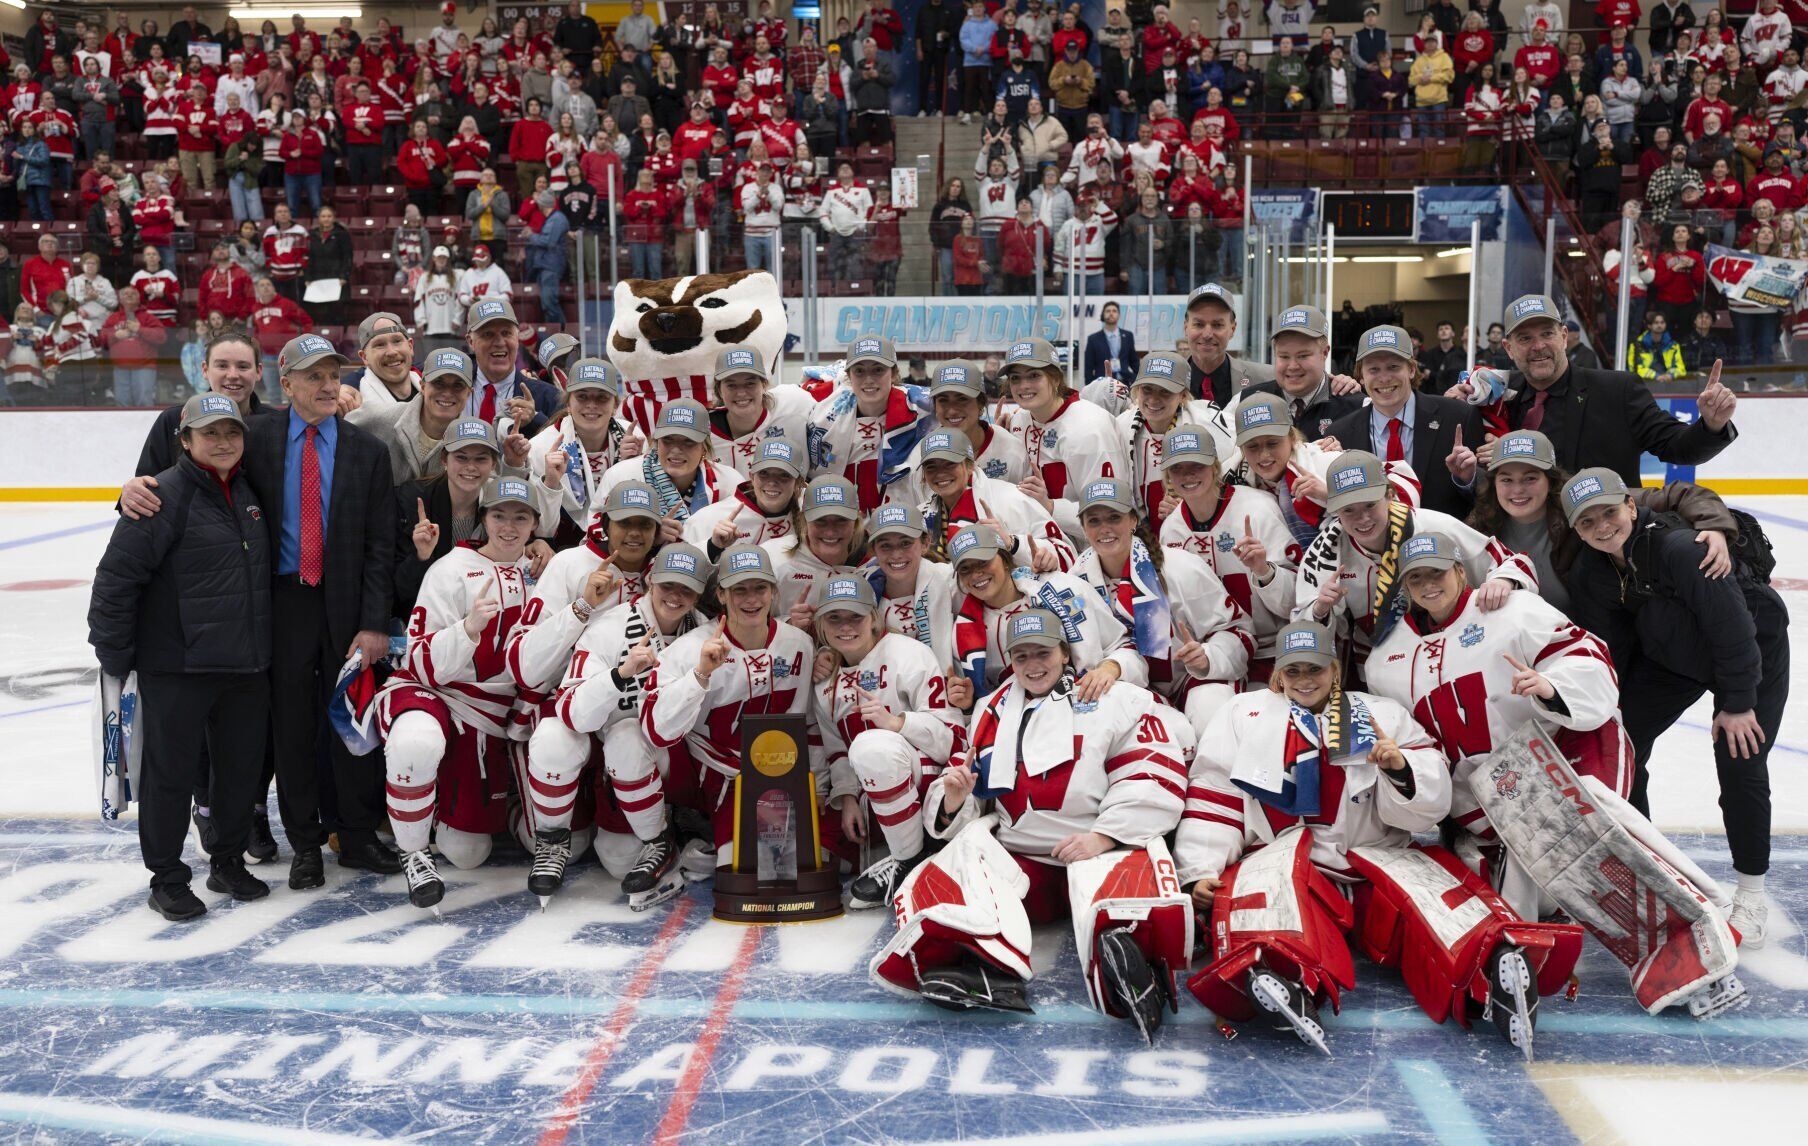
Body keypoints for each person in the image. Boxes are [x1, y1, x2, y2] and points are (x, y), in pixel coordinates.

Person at [1178, 619, 1579, 1057]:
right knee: (1265, 911)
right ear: (1278, 674)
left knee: (1438, 908)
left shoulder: (1381, 714)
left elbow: (1432, 794)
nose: (1305, 680)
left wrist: (1400, 770)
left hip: (1373, 857)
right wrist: (1200, 868)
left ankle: (1491, 972)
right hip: (1284, 860)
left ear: (1335, 669)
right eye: (1293, 670)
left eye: (1315, 668)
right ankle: (1283, 978)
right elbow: (1215, 792)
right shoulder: (1243, 714)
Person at [119, 334, 401, 890]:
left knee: (352, 721)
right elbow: (196, 480)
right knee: (290, 728)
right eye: (313, 377)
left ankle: (356, 832)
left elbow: (379, 545)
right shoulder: (255, 439)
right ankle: (305, 843)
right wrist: (132, 489)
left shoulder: (367, 450)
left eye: (333, 376)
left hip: (346, 607)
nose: (328, 386)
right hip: (280, 604)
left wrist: (373, 622)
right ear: (286, 384)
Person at [872, 607, 1195, 1039]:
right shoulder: (989, 710)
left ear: (1064, 653)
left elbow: (1152, 770)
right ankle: (986, 968)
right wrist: (954, 799)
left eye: (1042, 653)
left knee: (1129, 891)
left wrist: (1104, 837)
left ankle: (1134, 968)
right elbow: (969, 791)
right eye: (1021, 656)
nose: (1032, 665)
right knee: (938, 879)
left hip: (1098, 852)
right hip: (1026, 861)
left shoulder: (1113, 697)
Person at [1561, 468, 1787, 947]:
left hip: (1751, 648)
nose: (1602, 527)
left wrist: (1738, 703)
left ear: (1631, 505)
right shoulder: (1592, 571)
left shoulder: (1681, 548)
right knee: (1621, 745)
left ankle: (1751, 893)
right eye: (1587, 522)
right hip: (1675, 655)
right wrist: (1602, 708)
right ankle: (1647, 869)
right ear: (1575, 530)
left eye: (1609, 512)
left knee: (1740, 758)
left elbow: (1731, 626)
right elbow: (1610, 652)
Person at [89, 392, 274, 920]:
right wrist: (115, 654)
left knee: (238, 772)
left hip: (245, 665)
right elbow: (115, 580)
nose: (223, 442)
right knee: (169, 777)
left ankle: (227, 861)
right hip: (178, 666)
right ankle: (167, 877)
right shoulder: (160, 496)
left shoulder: (252, 491)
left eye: (231, 432)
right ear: (185, 440)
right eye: (210, 433)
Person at [379, 476, 541, 908]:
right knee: (466, 852)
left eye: (520, 517)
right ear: (483, 519)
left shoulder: (546, 571)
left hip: (517, 710)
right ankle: (414, 848)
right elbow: (419, 662)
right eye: (499, 515)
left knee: (565, 842)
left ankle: (510, 807)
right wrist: (467, 630)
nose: (509, 526)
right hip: (449, 698)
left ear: (535, 524)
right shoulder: (450, 569)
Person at [1454, 293, 1738, 487]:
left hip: (1599, 540)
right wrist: (1453, 407)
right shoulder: (1495, 393)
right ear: (1508, 348)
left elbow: (1677, 447)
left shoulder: (1618, 391)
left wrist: (1711, 426)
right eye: (1525, 338)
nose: (1538, 346)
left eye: (1547, 334)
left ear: (1564, 336)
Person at [1294, 450, 1535, 671]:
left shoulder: (1433, 525)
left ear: (1390, 496)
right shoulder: (1326, 552)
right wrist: (1320, 610)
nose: (1363, 518)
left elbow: (1512, 562)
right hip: (1387, 669)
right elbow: (1303, 627)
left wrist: (1502, 581)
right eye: (1348, 510)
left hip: (1468, 648)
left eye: (1370, 504)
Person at [810, 574, 966, 908]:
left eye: (855, 616)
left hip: (935, 785)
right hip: (873, 792)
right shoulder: (823, 683)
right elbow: (836, 751)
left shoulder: (910, 654)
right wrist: (846, 797)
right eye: (834, 618)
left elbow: (952, 741)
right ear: (821, 625)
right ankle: (914, 858)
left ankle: (907, 861)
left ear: (874, 618)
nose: (845, 626)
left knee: (872, 747)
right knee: (816, 850)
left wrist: (897, 723)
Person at [1071, 477, 1252, 738]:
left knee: (1209, 712)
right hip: (1131, 684)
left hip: (1195, 677)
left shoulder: (1180, 567)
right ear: (1083, 528)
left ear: (1133, 521)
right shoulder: (1078, 579)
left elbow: (1238, 631)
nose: (1104, 529)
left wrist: (1207, 656)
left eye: (1114, 518)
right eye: (1094, 521)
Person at [1328, 325, 1486, 518]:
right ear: (1361, 376)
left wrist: (1469, 479)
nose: (1384, 378)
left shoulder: (1458, 418)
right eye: (1374, 369)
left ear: (1411, 369)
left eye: (1393, 367)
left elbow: (1490, 497)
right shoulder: (1340, 435)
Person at [1001, 337, 1129, 540]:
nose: (1023, 386)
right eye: (1015, 378)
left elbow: (1110, 513)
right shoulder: (1019, 419)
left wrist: (1051, 506)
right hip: (1036, 543)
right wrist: (998, 439)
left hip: (1092, 548)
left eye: (1034, 375)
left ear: (1055, 379)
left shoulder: (1090, 427)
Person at [806, 336, 936, 512]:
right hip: (843, 522)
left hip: (901, 522)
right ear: (849, 376)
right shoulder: (821, 415)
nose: (868, 379)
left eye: (878, 370)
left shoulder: (924, 410)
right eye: (859, 371)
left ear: (894, 374)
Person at [1244, 304, 1365, 441]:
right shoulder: (1246, 402)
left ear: (1324, 353)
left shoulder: (1356, 406)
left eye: (1303, 356)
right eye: (1284, 356)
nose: (1293, 366)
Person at [1182, 284, 1276, 406]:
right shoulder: (1164, 383)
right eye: (1199, 324)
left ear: (1232, 329)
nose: (1207, 335)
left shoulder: (1267, 380)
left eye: (1217, 325)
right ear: (1186, 328)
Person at [1083, 301, 1140, 387]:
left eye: (1114, 311)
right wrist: (1090, 387)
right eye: (1108, 311)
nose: (1111, 313)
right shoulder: (1093, 339)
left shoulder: (1128, 336)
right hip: (1102, 384)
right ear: (1103, 315)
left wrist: (1139, 380)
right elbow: (1088, 366)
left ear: (1119, 315)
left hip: (1125, 382)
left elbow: (1134, 361)